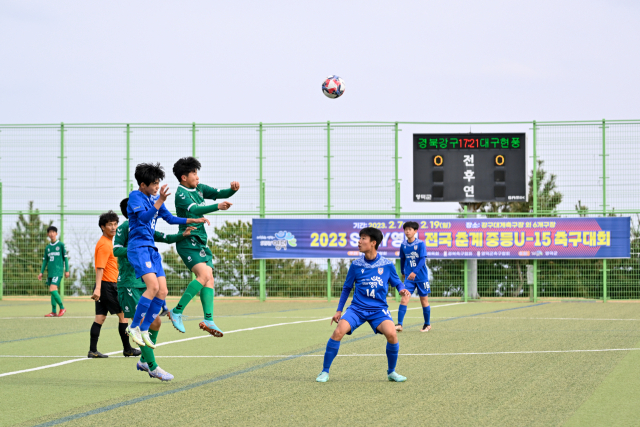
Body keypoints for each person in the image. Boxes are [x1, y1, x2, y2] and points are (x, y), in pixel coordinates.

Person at [125, 163, 208, 356]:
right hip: (139, 248)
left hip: (152, 250)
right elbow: (145, 219)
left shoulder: (155, 198)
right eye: (154, 184)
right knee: (152, 287)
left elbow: (170, 219)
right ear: (143, 184)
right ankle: (134, 327)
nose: (157, 187)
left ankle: (144, 328)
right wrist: (160, 200)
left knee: (162, 291)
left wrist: (192, 220)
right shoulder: (135, 197)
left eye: (158, 183)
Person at [114, 198, 196, 381]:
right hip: (129, 284)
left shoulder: (146, 227)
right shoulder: (125, 227)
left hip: (145, 283)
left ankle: (144, 360)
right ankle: (152, 366)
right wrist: (135, 249)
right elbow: (116, 250)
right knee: (142, 321)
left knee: (156, 323)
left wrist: (182, 235)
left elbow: (165, 237)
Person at [316, 227, 411, 383]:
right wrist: (339, 310)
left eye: (363, 239)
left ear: (373, 243)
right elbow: (347, 287)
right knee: (338, 332)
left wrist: (402, 290)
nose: (359, 242)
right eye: (359, 238)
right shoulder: (356, 265)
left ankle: (391, 372)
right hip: (357, 309)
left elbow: (397, 282)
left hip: (378, 310)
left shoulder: (387, 265)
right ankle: (324, 371)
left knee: (392, 334)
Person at [167, 157, 239, 337]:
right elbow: (195, 211)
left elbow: (221, 193)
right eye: (194, 173)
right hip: (187, 241)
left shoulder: (198, 188)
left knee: (210, 279)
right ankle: (176, 311)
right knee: (204, 275)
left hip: (200, 241)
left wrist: (232, 190)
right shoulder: (181, 194)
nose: (197, 177)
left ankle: (208, 319)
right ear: (184, 177)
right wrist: (217, 206)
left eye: (197, 173)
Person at [89, 211, 140, 359]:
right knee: (123, 315)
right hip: (108, 286)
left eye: (115, 224)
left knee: (100, 318)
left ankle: (93, 350)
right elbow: (100, 268)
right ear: (102, 227)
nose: (113, 227)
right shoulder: (104, 244)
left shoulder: (108, 242)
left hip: (106, 285)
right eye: (109, 225)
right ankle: (128, 349)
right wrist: (98, 288)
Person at [395, 221, 431, 332]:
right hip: (409, 278)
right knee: (404, 298)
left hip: (421, 277)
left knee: (423, 300)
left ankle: (427, 324)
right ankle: (399, 324)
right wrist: (402, 271)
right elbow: (403, 259)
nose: (407, 231)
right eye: (406, 229)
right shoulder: (403, 245)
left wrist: (415, 272)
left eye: (410, 229)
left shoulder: (420, 244)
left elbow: (422, 260)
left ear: (415, 231)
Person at [38, 225, 70, 317]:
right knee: (53, 290)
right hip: (50, 272)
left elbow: (66, 258)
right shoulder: (47, 247)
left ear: (56, 233)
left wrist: (67, 270)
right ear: (48, 234)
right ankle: (53, 311)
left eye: (53, 232)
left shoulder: (61, 245)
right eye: (50, 232)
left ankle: (62, 307)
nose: (51, 234)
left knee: (52, 289)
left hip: (58, 271)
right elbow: (45, 261)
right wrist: (41, 272)